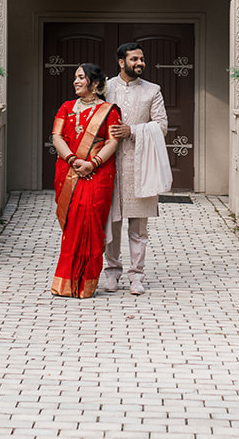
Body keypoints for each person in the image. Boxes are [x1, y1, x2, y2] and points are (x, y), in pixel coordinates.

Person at [101, 41, 168, 295]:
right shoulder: (106, 88)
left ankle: (137, 275)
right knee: (111, 221)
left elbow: (161, 126)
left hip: (141, 164)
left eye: (142, 59)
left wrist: (133, 131)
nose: (140, 63)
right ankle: (112, 272)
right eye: (134, 59)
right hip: (110, 164)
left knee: (139, 225)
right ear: (121, 62)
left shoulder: (153, 90)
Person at [50, 62, 122, 298]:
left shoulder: (110, 111)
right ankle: (65, 283)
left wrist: (93, 163)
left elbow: (112, 142)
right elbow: (57, 136)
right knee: (72, 227)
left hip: (97, 174)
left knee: (91, 226)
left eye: (81, 77)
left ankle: (86, 284)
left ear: (96, 84)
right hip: (70, 172)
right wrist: (72, 159)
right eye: (75, 77)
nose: (76, 81)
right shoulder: (66, 107)